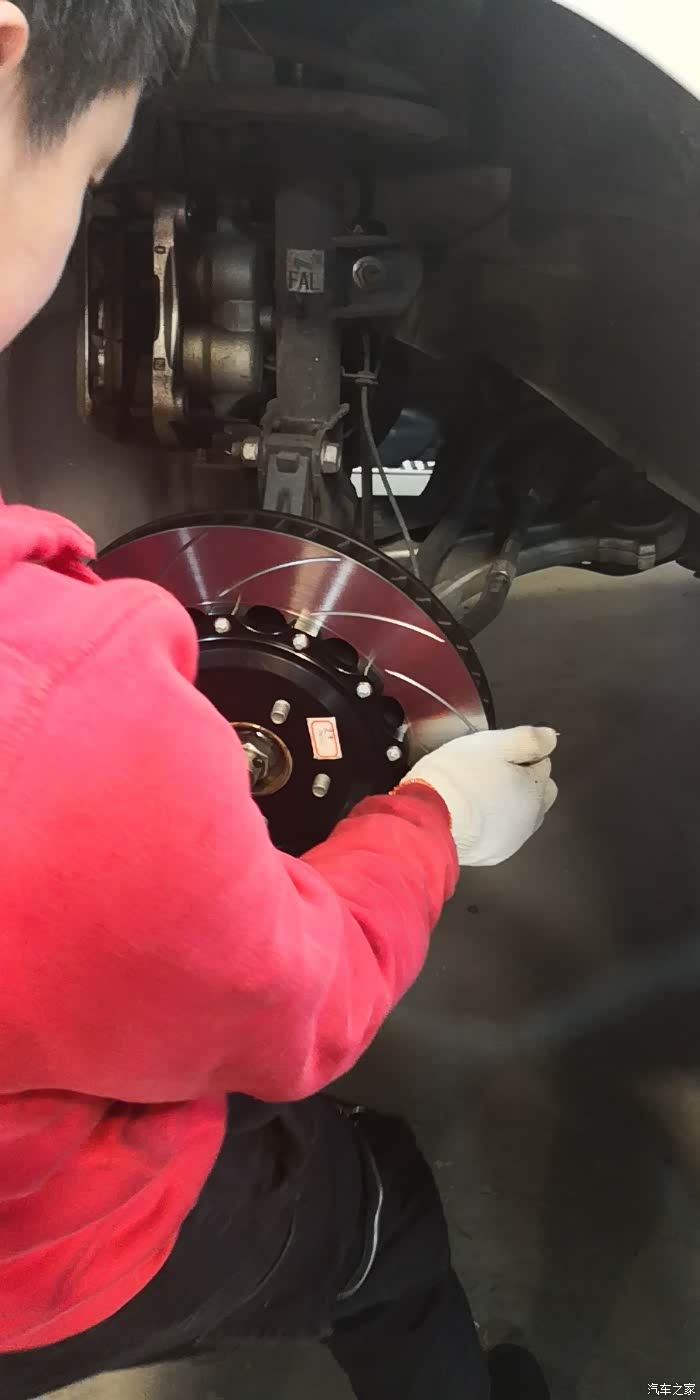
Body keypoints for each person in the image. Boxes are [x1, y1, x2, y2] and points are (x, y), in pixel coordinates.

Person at [0, 4, 558, 1397]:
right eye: (90, 167)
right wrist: (437, 816)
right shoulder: (49, 700)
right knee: (382, 1209)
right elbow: (296, 1004)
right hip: (41, 1263)